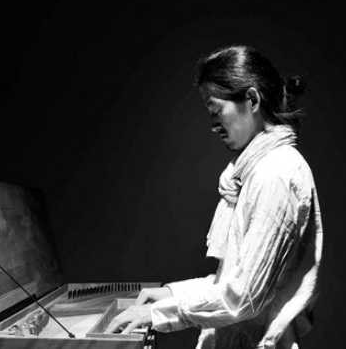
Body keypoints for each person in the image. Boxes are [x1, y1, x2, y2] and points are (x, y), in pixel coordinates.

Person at [105, 45, 323, 349]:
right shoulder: (256, 170)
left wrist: (158, 314)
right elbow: (233, 282)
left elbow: (244, 297)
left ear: (252, 100)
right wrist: (173, 293)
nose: (213, 125)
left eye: (216, 110)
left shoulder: (276, 173)